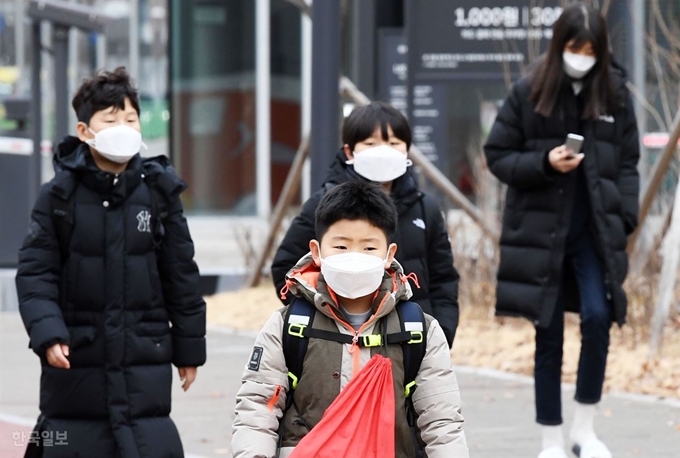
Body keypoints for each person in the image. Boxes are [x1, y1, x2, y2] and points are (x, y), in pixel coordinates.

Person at [15, 67, 206, 458]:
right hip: (77, 365)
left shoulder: (159, 192)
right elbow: (37, 272)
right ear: (85, 131)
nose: (123, 126)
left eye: (131, 118)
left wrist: (189, 349)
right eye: (111, 118)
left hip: (143, 363)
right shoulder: (58, 197)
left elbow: (181, 274)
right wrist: (48, 332)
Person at [483, 4, 639, 458]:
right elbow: (497, 155)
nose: (582, 57)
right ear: (560, 46)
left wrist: (625, 218)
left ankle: (584, 431)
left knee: (598, 317)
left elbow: (628, 164)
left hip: (594, 234)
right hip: (541, 233)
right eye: (574, 48)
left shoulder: (616, 95)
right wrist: (544, 163)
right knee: (547, 332)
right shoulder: (529, 91)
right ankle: (551, 438)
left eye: (591, 50)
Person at [233, 181, 468, 458]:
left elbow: (442, 421)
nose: (354, 258)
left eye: (369, 248)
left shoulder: (418, 329)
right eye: (341, 246)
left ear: (389, 255)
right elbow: (259, 408)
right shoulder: (289, 325)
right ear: (317, 251)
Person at [271, 101, 460, 347]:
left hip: (411, 341)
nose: (383, 151)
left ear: (407, 150)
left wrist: (440, 334)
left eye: (393, 143)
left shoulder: (425, 209)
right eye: (371, 144)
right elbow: (286, 270)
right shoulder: (324, 205)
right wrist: (320, 322)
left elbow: (443, 278)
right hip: (338, 342)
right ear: (350, 151)